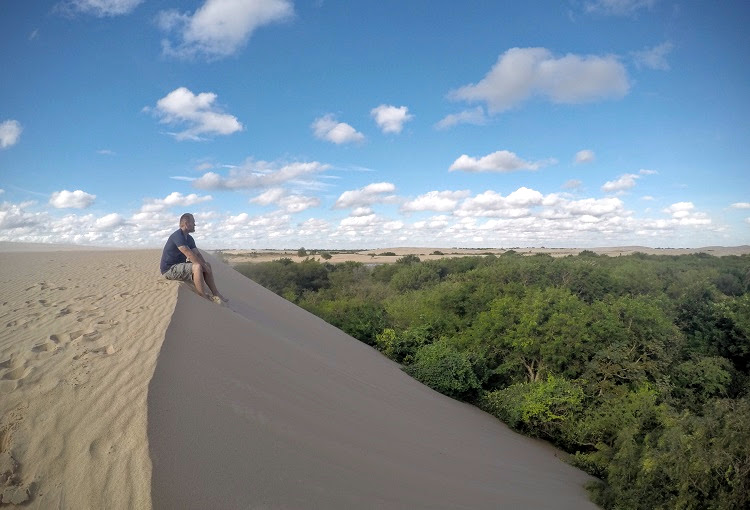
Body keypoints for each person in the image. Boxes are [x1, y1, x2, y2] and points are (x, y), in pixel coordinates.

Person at [160, 213, 228, 304]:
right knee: (197, 267)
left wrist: (205, 266)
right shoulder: (177, 236)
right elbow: (189, 254)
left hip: (179, 266)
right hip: (169, 270)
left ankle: (216, 293)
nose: (195, 225)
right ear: (187, 223)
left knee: (206, 264)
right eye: (193, 222)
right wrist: (203, 267)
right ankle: (202, 296)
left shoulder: (189, 238)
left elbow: (197, 254)